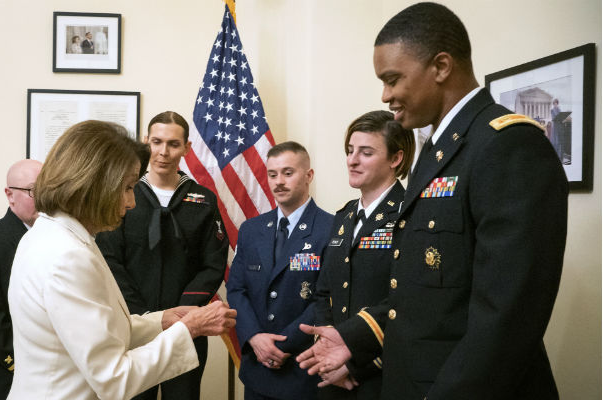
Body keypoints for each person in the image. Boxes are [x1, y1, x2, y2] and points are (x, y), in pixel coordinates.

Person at [297, 3, 568, 399]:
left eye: (392, 79)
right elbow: (422, 291)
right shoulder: (437, 151)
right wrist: (355, 338)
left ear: (441, 67)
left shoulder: (507, 145)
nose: (385, 95)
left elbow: (506, 320)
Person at [7, 120, 236, 400]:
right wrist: (190, 329)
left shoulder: (54, 234)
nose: (132, 202)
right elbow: (114, 378)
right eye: (128, 188)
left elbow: (103, 329)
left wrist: (162, 320)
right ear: (96, 185)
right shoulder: (67, 257)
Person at [96, 111, 229, 400]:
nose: (163, 152)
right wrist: (145, 316)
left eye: (173, 144)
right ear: (146, 143)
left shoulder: (203, 200)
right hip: (133, 326)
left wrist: (182, 315)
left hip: (187, 328)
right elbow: (110, 261)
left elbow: (213, 263)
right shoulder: (123, 195)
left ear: (186, 148)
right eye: (156, 142)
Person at [312, 111, 414, 400]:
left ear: (396, 159)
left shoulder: (410, 214)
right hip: (332, 373)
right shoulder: (344, 216)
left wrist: (355, 364)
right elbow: (324, 291)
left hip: (380, 375)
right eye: (350, 151)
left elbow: (409, 303)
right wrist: (327, 346)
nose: (352, 160)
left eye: (366, 152)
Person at [226, 141, 333, 400]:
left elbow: (326, 297)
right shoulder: (251, 230)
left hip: (302, 367)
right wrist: (253, 337)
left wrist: (281, 343)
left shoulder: (331, 228)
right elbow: (237, 289)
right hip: (257, 368)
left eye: (288, 173)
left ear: (309, 176)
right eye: (272, 174)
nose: (278, 182)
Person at [0, 159, 42, 399]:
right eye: (35, 191)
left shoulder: (50, 242)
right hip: (4, 376)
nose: (43, 199)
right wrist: (22, 365)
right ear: (9, 194)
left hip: (43, 373)